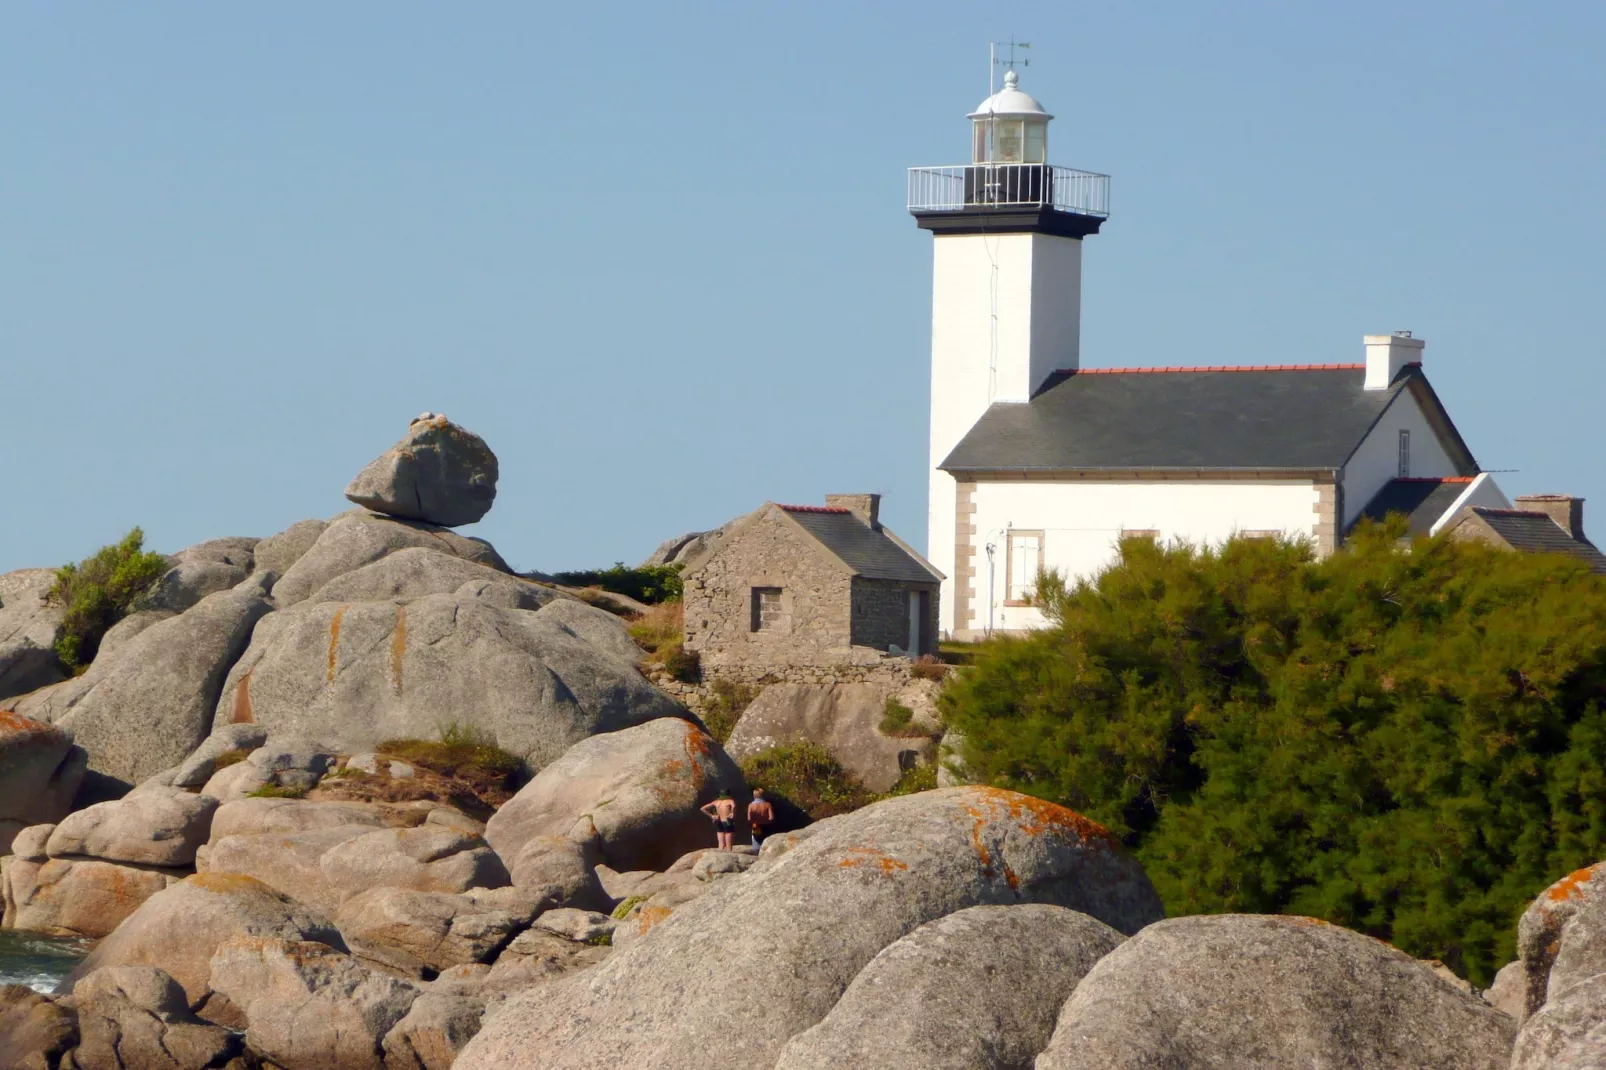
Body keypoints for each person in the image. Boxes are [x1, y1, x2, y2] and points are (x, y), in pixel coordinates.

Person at [747, 787, 775, 854]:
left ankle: (757, 853)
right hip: (766, 824)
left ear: (754, 795)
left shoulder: (751, 805)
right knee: (766, 840)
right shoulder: (767, 804)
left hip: (756, 824)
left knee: (756, 841)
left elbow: (749, 818)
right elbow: (771, 817)